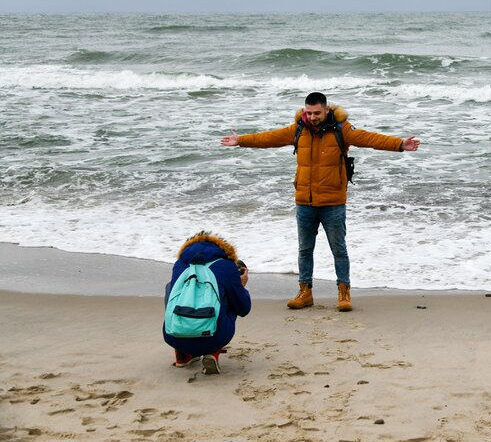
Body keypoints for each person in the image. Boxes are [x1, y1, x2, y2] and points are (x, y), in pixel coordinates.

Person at [220, 92, 420, 312]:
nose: (313, 117)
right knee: (305, 250)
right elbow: (270, 138)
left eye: (316, 113)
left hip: (333, 202)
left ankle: (344, 292)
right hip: (305, 201)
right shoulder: (298, 129)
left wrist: (400, 144)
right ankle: (305, 292)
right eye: (309, 113)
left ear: (326, 110)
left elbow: (369, 138)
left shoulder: (341, 130)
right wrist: (241, 141)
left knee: (339, 250)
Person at [163, 231, 251, 374]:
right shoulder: (226, 266)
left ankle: (182, 355)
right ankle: (212, 352)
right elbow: (243, 308)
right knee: (230, 298)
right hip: (213, 336)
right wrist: (241, 286)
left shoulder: (179, 264)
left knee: (171, 288)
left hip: (173, 335)